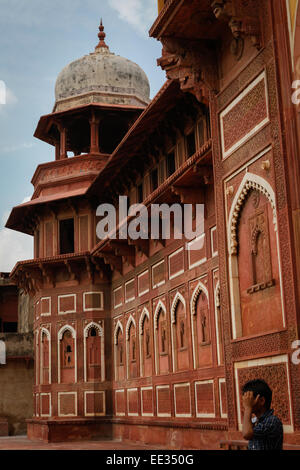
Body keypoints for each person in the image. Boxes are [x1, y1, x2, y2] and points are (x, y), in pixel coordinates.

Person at [242, 379, 283, 450]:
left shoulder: (272, 421)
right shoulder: (254, 421)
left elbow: (247, 434)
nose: (245, 404)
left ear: (261, 401)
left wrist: (248, 408)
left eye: (249, 400)